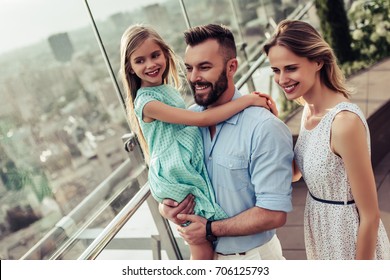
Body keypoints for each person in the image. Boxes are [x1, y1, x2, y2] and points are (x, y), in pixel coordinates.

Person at [119, 24, 277, 260]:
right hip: (175, 173)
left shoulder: (166, 90)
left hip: (182, 167)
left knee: (202, 242)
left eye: (155, 55)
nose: (150, 65)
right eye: (140, 61)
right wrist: (247, 101)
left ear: (165, 53)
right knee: (200, 246)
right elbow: (202, 119)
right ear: (130, 68)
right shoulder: (147, 102)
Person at [159, 23, 294, 260]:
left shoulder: (264, 127)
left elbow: (274, 213)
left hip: (254, 258)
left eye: (204, 67)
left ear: (232, 67)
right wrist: (167, 208)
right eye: (189, 68)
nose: (194, 77)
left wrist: (210, 229)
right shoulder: (187, 122)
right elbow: (172, 176)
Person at [263, 19, 390, 260]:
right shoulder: (308, 110)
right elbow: (295, 174)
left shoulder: (344, 123)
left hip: (349, 237)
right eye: (276, 70)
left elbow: (371, 216)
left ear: (318, 61)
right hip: (320, 229)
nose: (281, 79)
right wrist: (273, 125)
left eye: (291, 68)